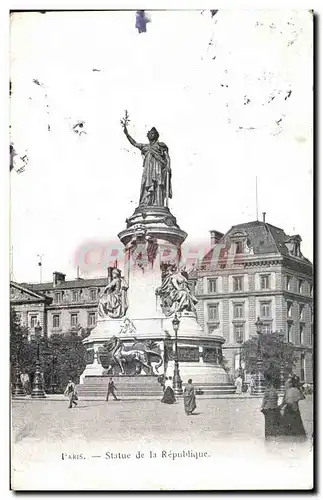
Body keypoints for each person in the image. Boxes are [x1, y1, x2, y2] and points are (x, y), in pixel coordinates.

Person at [280, 374, 307, 441]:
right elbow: (302, 398)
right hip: (295, 408)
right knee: (297, 421)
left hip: (288, 408)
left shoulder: (287, 391)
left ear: (290, 384)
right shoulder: (297, 390)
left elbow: (284, 401)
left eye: (287, 383)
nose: (286, 384)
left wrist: (280, 407)